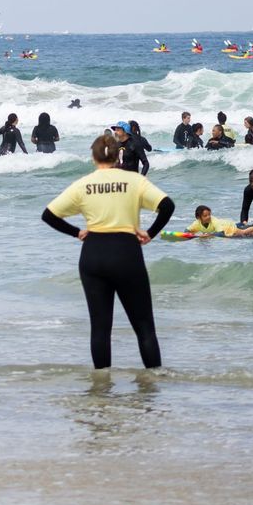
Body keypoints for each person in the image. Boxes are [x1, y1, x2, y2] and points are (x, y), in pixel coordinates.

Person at [41, 134, 174, 369]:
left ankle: (101, 391)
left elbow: (49, 215)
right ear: (117, 154)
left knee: (100, 329)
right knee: (144, 327)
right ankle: (153, 388)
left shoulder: (83, 184)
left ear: (93, 157)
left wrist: (77, 232)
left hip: (93, 255)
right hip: (126, 254)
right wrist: (150, 233)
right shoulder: (134, 181)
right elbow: (167, 205)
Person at [186, 205, 253, 237]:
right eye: (205, 216)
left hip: (228, 227)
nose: (208, 217)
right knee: (247, 232)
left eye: (209, 214)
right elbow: (187, 230)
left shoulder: (214, 221)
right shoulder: (196, 223)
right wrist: (190, 234)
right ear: (198, 217)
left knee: (243, 232)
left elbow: (221, 233)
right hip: (225, 225)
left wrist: (209, 235)